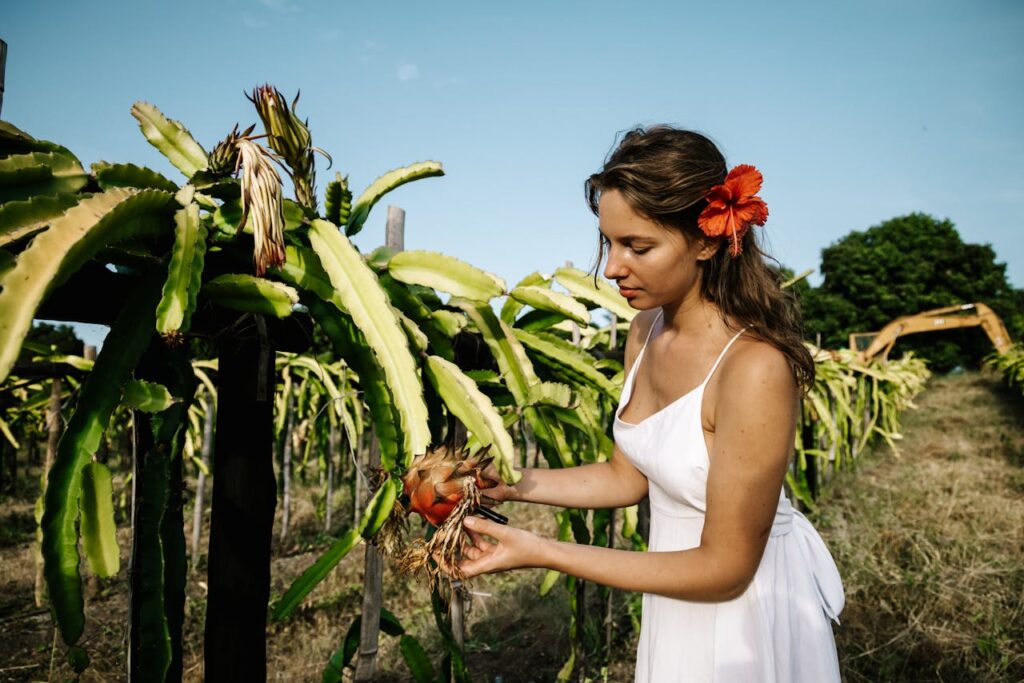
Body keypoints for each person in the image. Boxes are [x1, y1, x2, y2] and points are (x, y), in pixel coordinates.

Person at [460, 126, 844, 682]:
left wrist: (541, 550)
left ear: (707, 241)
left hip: (743, 613)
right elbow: (628, 477)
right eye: (608, 243)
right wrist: (511, 484)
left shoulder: (753, 368)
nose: (613, 267)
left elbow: (726, 569)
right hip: (673, 590)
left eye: (638, 246)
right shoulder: (646, 330)